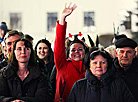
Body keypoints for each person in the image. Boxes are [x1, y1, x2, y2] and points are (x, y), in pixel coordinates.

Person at [68, 48, 136, 102]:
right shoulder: (79, 86)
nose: (99, 66)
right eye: (95, 63)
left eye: (103, 63)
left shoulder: (119, 84)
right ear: (89, 65)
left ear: (108, 64)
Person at [54, 3, 88, 102]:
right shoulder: (62, 65)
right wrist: (62, 19)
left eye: (80, 49)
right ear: (68, 53)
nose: (76, 52)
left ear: (85, 52)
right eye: (73, 50)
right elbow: (59, 44)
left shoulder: (91, 66)